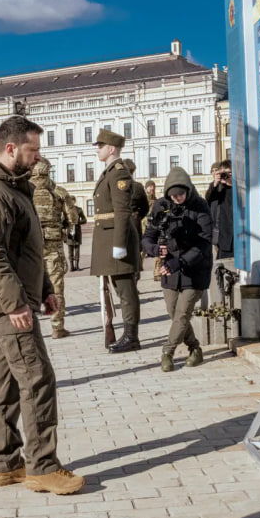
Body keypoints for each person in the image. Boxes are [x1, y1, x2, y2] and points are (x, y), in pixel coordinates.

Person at [0, 115, 84, 496]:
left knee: (9, 383)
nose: (38, 159)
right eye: (32, 151)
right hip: (5, 306)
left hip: (17, 300)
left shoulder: (15, 187)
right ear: (10, 148)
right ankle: (42, 466)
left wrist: (44, 288)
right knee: (37, 378)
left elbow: (27, 247)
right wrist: (16, 302)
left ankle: (6, 463)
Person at [143, 167, 212, 372]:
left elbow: (204, 243)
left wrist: (180, 262)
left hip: (194, 270)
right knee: (173, 312)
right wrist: (155, 249)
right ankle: (195, 348)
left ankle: (167, 352)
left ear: (188, 190)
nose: (178, 198)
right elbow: (147, 237)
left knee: (182, 314)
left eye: (181, 194)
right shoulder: (161, 206)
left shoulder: (200, 206)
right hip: (169, 270)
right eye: (173, 195)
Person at [90, 129, 142, 353]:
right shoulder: (109, 172)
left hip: (116, 239)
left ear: (111, 149)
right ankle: (127, 334)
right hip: (108, 238)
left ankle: (131, 336)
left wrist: (120, 244)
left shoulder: (119, 174)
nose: (98, 150)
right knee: (117, 288)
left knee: (125, 289)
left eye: (100, 146)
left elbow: (122, 212)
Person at [30, 157, 72, 339]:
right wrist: (62, 227)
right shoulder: (59, 192)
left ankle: (29, 328)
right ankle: (57, 327)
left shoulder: (23, 191)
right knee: (56, 287)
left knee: (28, 287)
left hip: (29, 245)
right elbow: (73, 218)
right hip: (53, 245)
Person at [206, 160, 235, 261]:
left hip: (237, 235)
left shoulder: (239, 187)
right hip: (222, 236)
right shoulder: (217, 188)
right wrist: (216, 184)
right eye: (223, 173)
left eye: (228, 173)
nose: (225, 175)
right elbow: (208, 199)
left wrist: (232, 183)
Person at [64, 195, 86, 271]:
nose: (71, 202)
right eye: (70, 200)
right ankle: (71, 266)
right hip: (69, 232)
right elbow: (63, 221)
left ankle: (77, 266)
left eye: (72, 200)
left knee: (77, 249)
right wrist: (67, 225)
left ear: (74, 201)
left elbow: (84, 220)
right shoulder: (66, 210)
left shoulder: (79, 210)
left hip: (77, 232)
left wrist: (77, 222)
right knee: (70, 250)